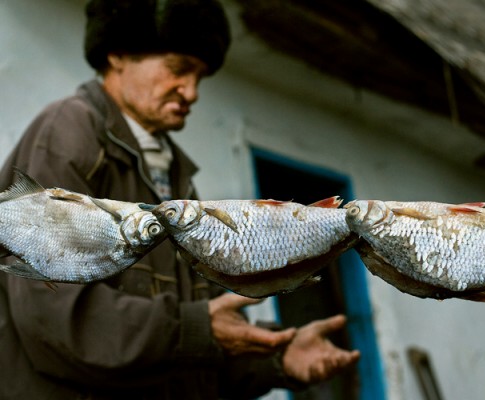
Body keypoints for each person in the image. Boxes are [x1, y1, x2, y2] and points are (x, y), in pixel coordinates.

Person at [0, 0, 360, 399]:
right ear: (118, 54)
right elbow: (57, 320)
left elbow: (196, 340)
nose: (191, 92)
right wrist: (196, 328)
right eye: (178, 69)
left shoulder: (176, 177)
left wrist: (277, 357)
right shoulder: (70, 132)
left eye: (199, 77)